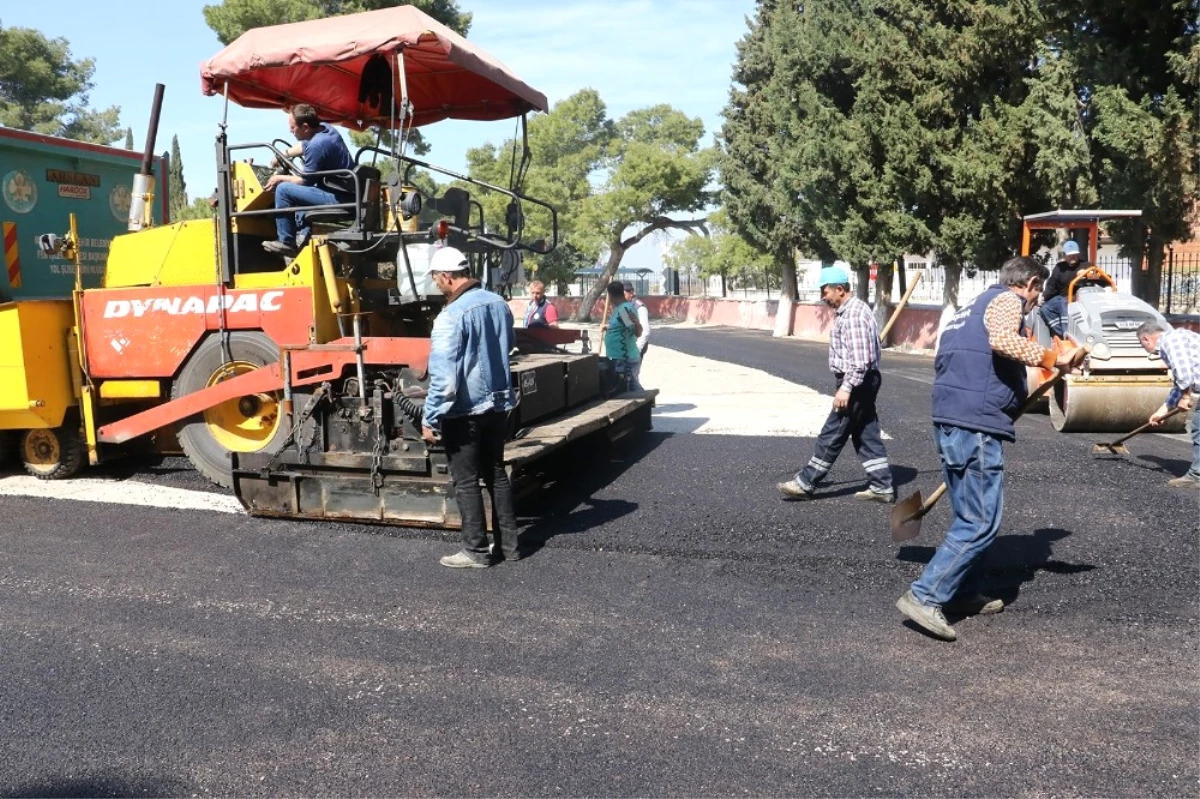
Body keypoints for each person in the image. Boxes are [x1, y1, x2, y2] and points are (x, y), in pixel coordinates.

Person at [896, 256, 1082, 641]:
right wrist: (1052, 358)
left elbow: (969, 360)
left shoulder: (968, 310)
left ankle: (961, 592)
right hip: (975, 426)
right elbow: (1002, 340)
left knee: (969, 515)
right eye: (1035, 296)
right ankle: (926, 595)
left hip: (951, 420)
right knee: (980, 521)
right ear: (1030, 284)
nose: (1032, 305)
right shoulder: (1006, 301)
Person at [420, 246, 521, 568]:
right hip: (499, 404)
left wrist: (430, 415)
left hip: (465, 410)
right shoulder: (498, 304)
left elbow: (446, 379)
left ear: (447, 276)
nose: (436, 284)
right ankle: (510, 547)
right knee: (496, 474)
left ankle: (475, 552)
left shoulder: (450, 316)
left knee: (465, 481)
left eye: (436, 278)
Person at [777, 265, 894, 503]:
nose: (823, 297)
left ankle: (806, 482)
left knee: (833, 432)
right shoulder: (853, 310)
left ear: (840, 289)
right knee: (866, 433)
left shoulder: (852, 315)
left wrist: (847, 387)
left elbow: (860, 362)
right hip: (860, 380)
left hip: (858, 383)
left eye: (825, 291)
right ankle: (882, 485)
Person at [262, 104, 354, 257]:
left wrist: (279, 178)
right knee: (299, 196)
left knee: (283, 190)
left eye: (293, 127)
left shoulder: (317, 146)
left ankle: (286, 242)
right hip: (347, 191)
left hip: (340, 198)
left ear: (305, 127)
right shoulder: (325, 128)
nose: (290, 130)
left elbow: (305, 182)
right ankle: (303, 236)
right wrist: (282, 155)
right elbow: (303, 146)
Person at [1139, 321, 1200, 488]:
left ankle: (1197, 476)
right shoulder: (1177, 338)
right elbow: (1178, 384)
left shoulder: (1170, 340)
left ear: (1145, 339)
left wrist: (1186, 397)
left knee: (1199, 427)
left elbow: (1183, 370)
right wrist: (1163, 410)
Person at [601, 280, 642, 391]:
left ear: (610, 295)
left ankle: (647, 402)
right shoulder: (620, 309)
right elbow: (623, 327)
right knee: (629, 387)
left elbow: (635, 331)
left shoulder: (624, 310)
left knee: (630, 388)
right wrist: (609, 328)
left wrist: (637, 324)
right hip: (619, 357)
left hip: (624, 358)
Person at [1040, 240, 1086, 338]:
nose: (1072, 257)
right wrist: (1043, 298)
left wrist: (1086, 273)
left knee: (1063, 302)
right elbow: (1051, 285)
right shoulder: (1059, 267)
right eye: (1069, 255)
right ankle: (1061, 333)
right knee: (1045, 308)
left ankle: (1068, 333)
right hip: (1063, 297)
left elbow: (1102, 277)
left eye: (1074, 255)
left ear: (1078, 254)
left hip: (1081, 297)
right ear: (1065, 255)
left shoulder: (1087, 265)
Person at [623, 280, 651, 387]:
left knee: (632, 377)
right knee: (625, 377)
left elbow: (645, 331)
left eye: (624, 293)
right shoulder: (624, 306)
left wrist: (637, 349)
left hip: (635, 347)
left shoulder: (639, 307)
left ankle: (642, 399)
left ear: (631, 293)